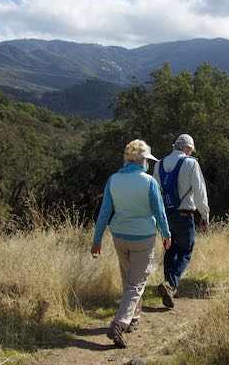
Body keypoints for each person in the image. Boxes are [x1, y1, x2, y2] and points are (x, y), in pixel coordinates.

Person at [90, 139, 171, 348]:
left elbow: (104, 212)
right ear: (142, 160)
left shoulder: (113, 180)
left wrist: (97, 240)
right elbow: (159, 212)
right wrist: (166, 233)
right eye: (147, 161)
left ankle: (134, 318)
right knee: (137, 282)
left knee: (128, 279)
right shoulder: (148, 182)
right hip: (143, 236)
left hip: (119, 235)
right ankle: (119, 323)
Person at [153, 133, 210, 308]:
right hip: (185, 215)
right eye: (191, 150)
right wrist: (205, 215)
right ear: (187, 148)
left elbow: (154, 194)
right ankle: (170, 284)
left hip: (165, 215)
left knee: (170, 250)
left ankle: (170, 289)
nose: (191, 153)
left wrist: (156, 218)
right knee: (186, 251)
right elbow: (200, 192)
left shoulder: (158, 165)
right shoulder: (191, 163)